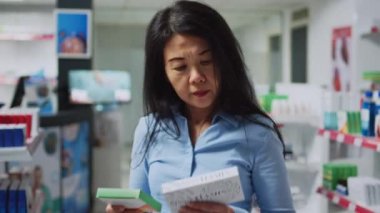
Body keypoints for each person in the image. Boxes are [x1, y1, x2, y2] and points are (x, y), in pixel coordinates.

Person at [107, 1, 295, 212]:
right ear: (163, 73)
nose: (197, 77)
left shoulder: (258, 133)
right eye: (180, 67)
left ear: (225, 61)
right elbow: (141, 205)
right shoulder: (148, 129)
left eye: (207, 61)